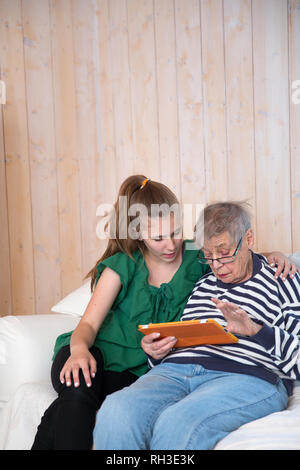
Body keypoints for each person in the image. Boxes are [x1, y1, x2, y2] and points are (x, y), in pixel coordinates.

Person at [31, 176, 296, 450]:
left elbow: (233, 250)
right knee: (82, 397)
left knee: (117, 409)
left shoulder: (199, 256)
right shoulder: (130, 266)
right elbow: (87, 323)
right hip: (94, 351)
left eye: (176, 232)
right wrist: (79, 350)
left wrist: (275, 255)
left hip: (140, 368)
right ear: (138, 235)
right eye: (158, 238)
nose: (171, 245)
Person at [93, 201, 300, 451]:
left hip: (246, 376)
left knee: (178, 422)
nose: (216, 266)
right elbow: (184, 345)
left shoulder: (283, 279)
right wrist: (156, 353)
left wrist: (255, 330)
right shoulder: (203, 284)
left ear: (249, 239)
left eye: (223, 254)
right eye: (208, 256)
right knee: (116, 410)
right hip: (175, 372)